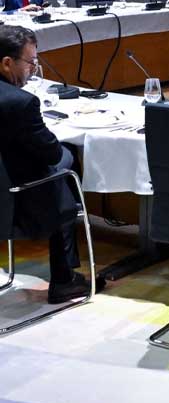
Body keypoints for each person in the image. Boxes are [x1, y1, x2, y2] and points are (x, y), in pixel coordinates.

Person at [0, 26, 104, 303]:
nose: (33, 70)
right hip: (13, 201)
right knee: (66, 161)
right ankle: (63, 278)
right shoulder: (21, 103)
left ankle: (66, 274)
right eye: (30, 62)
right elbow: (52, 154)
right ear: (7, 63)